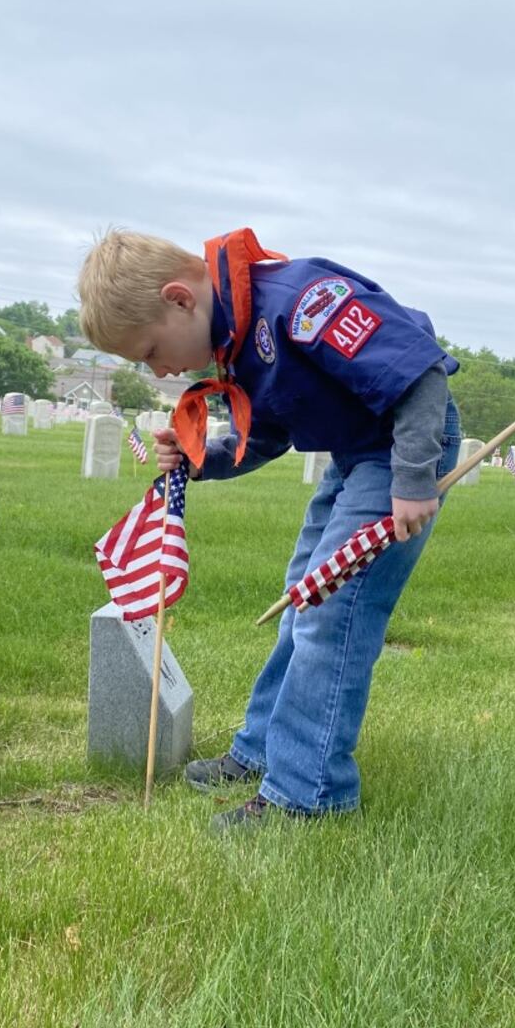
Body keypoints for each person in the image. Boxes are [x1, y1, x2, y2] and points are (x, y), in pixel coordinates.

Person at [77, 228, 462, 832]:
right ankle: (260, 750)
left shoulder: (299, 301)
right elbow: (268, 434)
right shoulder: (237, 340)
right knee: (299, 596)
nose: (159, 371)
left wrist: (414, 477)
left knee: (329, 609)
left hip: (403, 447)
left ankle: (309, 791)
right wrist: (200, 458)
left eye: (151, 351)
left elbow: (420, 372)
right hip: (357, 454)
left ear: (180, 300)